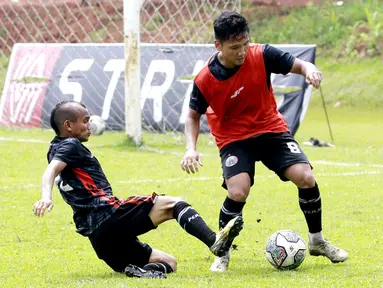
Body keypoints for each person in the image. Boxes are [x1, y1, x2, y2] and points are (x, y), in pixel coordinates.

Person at [180, 11, 348, 272]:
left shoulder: (262, 54)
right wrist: (191, 148)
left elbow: (299, 64)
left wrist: (310, 69)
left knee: (305, 176)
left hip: (270, 129)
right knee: (238, 191)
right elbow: (192, 115)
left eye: (245, 44)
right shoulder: (205, 79)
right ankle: (222, 253)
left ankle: (317, 241)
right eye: (235, 47)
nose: (242, 52)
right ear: (218, 46)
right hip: (234, 138)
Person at [33, 100, 243, 279]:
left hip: (99, 239)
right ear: (68, 125)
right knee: (174, 204)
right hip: (108, 215)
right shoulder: (71, 145)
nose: (90, 124)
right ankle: (214, 241)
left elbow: (53, 167)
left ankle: (139, 272)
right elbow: (50, 171)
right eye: (85, 120)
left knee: (169, 263)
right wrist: (45, 197)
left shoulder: (55, 147)